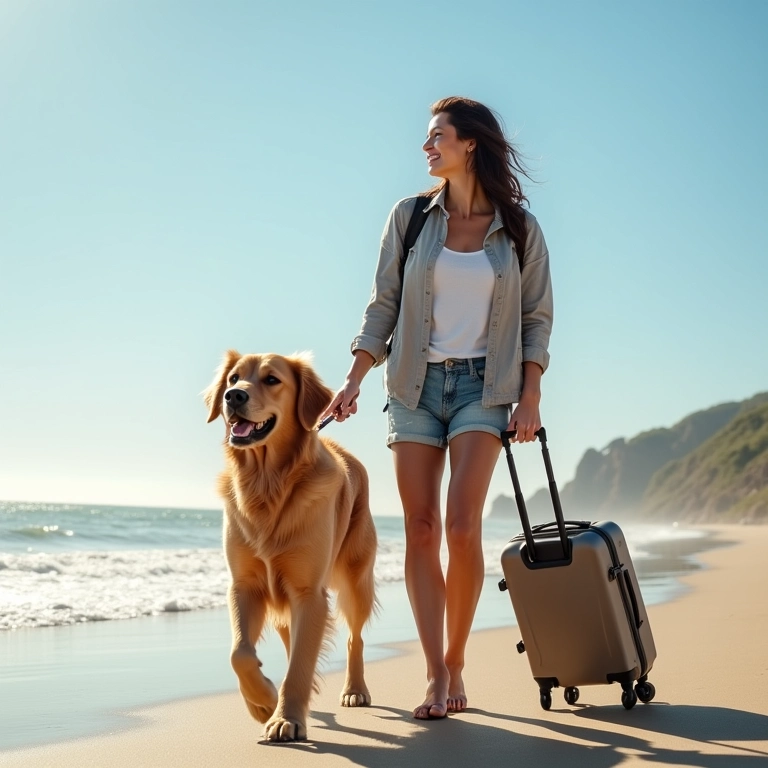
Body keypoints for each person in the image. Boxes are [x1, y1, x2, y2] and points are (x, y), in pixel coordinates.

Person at [321, 96, 553, 720]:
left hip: (486, 387)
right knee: (421, 529)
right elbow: (383, 305)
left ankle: (457, 661)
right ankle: (434, 672)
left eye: (437, 137)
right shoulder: (410, 219)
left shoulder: (520, 230)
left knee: (460, 526)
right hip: (413, 386)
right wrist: (353, 379)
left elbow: (536, 321)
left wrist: (530, 393)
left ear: (469, 143)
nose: (426, 147)